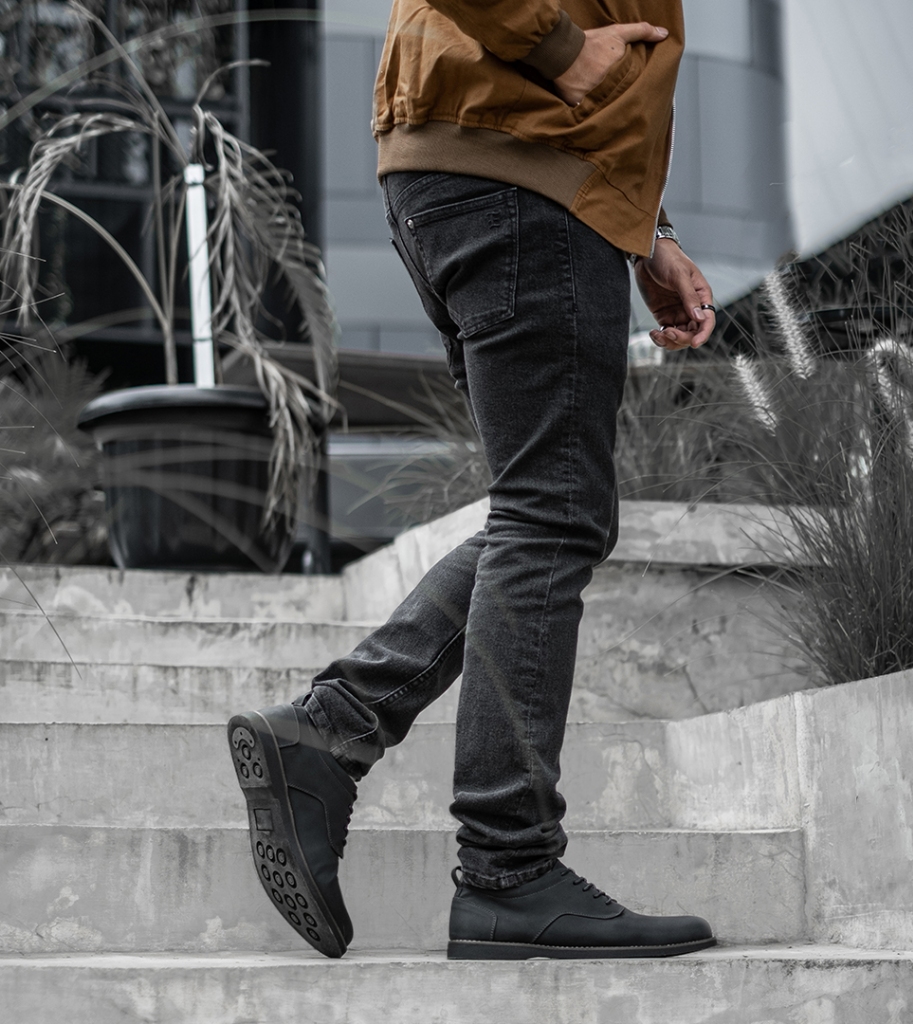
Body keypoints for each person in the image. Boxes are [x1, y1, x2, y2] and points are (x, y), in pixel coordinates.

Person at [228, 0, 718, 961]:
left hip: (500, 165)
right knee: (552, 515)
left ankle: (331, 731)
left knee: (548, 510)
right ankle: (508, 865)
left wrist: (644, 226)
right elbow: (591, 45)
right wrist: (559, 50)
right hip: (522, 160)